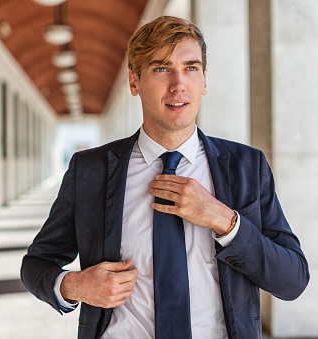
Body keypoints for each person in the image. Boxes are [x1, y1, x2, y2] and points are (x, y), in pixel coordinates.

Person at [20, 15, 309, 339]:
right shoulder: (90, 171)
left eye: (190, 68)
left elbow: (293, 279)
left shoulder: (246, 166)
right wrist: (73, 285)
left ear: (204, 80)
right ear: (134, 81)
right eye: (161, 68)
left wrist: (225, 221)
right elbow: (36, 265)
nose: (178, 84)